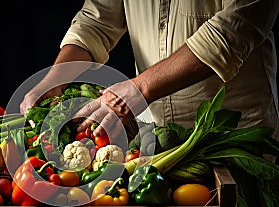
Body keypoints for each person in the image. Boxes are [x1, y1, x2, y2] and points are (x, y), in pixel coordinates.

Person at [20, 0, 279, 142]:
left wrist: (138, 89)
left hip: (234, 135)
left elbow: (231, 32)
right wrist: (53, 81)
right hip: (157, 137)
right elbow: (96, 22)